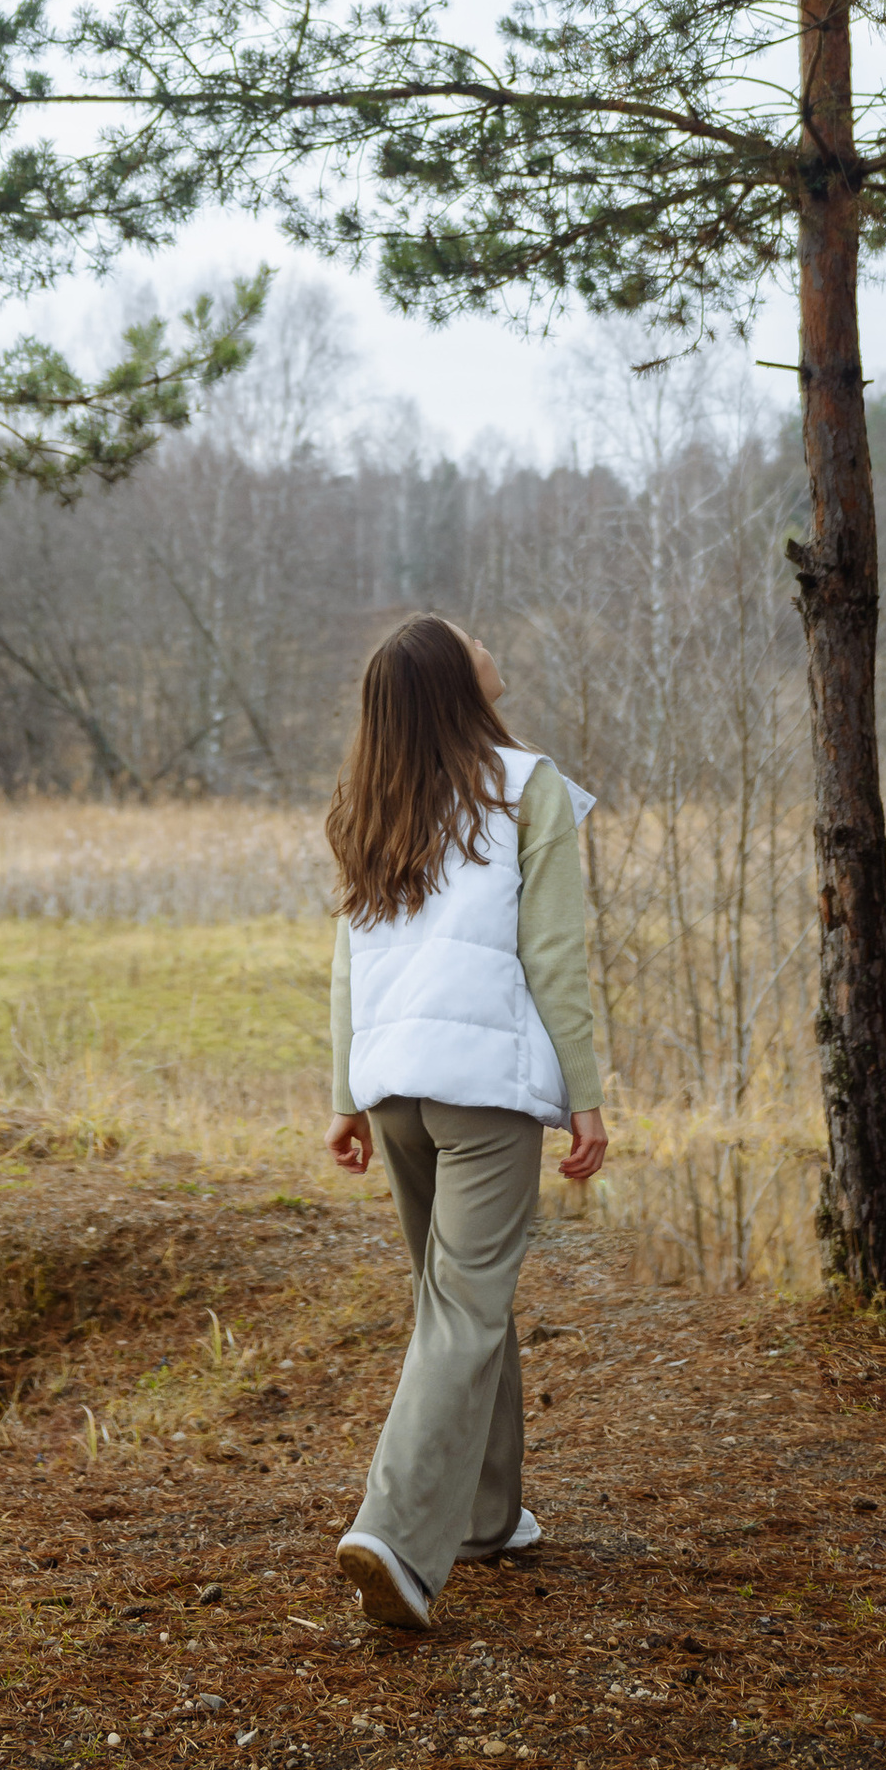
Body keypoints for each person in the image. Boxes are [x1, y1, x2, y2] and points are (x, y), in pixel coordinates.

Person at [324, 611, 608, 1635]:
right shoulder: (527, 787)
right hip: (481, 1086)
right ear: (459, 680)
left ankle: (486, 1515)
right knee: (463, 1306)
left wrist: (345, 1096)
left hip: (395, 1083)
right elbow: (557, 956)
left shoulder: (370, 799)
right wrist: (584, 1093)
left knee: (458, 1299)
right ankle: (393, 1535)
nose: (489, 643)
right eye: (471, 638)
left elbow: (348, 957)